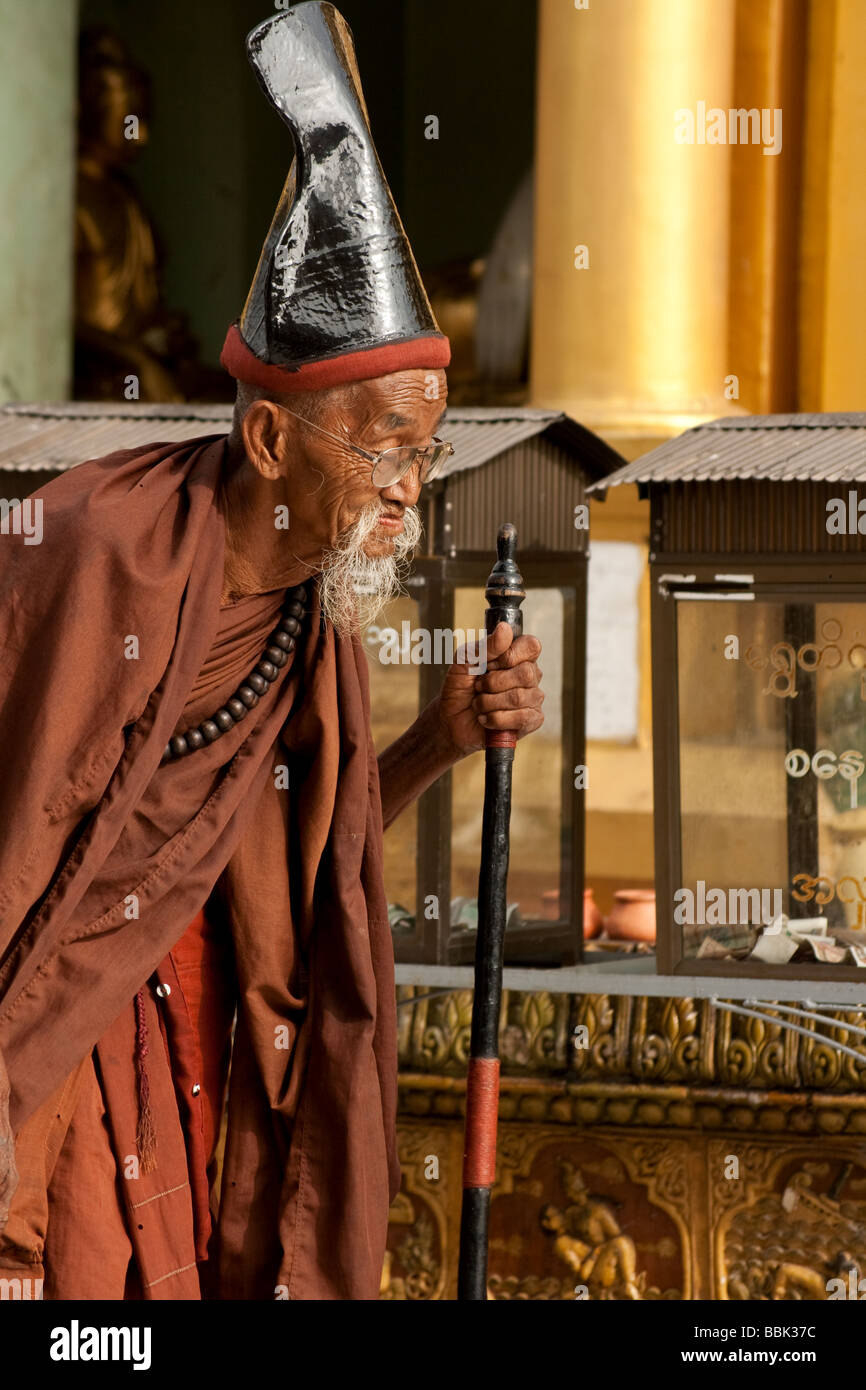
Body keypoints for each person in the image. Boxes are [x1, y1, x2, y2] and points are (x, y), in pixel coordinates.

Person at [0, 2, 544, 1301]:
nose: (411, 489)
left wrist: (440, 735)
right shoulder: (95, 552)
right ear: (268, 444)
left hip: (195, 1040)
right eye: (386, 448)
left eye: (427, 451)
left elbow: (316, 854)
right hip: (56, 1053)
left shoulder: (311, 606)